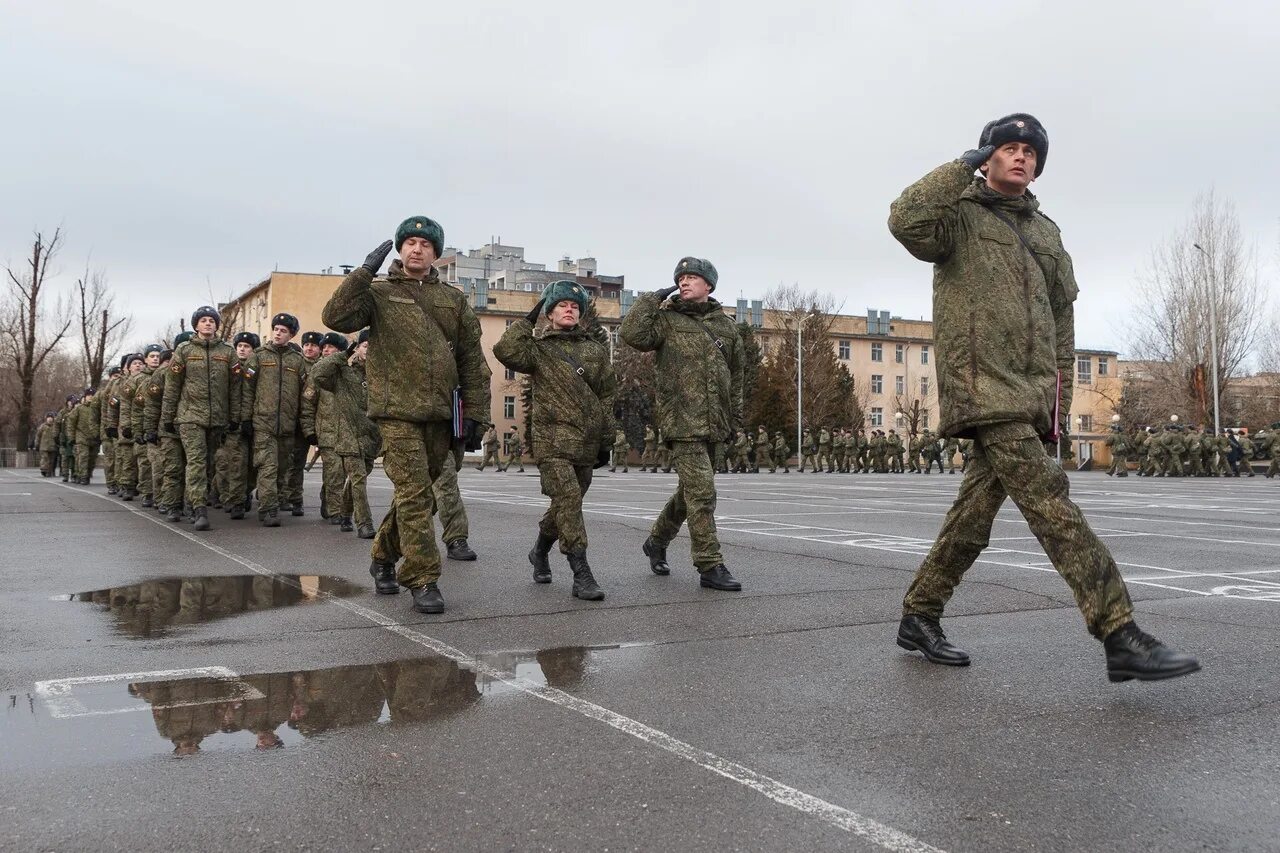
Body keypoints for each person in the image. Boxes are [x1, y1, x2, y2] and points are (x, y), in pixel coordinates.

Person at [887, 112, 1198, 681]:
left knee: (973, 516)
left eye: (1030, 151)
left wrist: (1056, 400)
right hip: (983, 388)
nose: (1020, 156)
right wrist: (962, 163)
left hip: (1030, 393)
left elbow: (1062, 321)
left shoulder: (1047, 232)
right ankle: (1119, 631)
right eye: (1007, 148)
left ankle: (920, 613)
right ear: (987, 157)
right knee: (1053, 504)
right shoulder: (956, 215)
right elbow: (905, 219)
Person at [323, 217, 490, 614]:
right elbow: (335, 317)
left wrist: (476, 415)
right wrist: (363, 272)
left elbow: (471, 358)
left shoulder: (453, 299)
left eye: (425, 244)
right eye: (410, 242)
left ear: (436, 253)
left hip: (441, 412)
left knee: (424, 496)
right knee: (414, 493)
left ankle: (382, 556)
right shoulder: (378, 293)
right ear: (400, 250)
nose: (417, 249)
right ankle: (422, 577)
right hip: (395, 411)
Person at [620, 256, 744, 592]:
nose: (684, 282)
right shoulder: (665, 320)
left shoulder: (726, 327)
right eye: (680, 278)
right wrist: (650, 299)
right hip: (681, 421)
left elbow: (736, 379)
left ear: (709, 285)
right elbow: (632, 334)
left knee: (688, 493)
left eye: (691, 277)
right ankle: (709, 564)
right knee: (702, 492)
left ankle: (657, 541)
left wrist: (736, 423)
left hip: (716, 424)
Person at [495, 280, 616, 600]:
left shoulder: (594, 350)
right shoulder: (538, 349)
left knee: (565, 504)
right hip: (552, 443)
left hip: (585, 443)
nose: (569, 310)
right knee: (569, 500)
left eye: (575, 306)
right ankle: (581, 571)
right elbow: (504, 351)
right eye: (562, 305)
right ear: (549, 313)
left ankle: (539, 551)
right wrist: (527, 319)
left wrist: (607, 438)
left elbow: (607, 395)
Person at [161, 306, 241, 531]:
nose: (208, 323)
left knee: (207, 464)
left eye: (212, 320)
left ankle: (190, 501)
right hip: (190, 416)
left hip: (217, 418)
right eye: (204, 320)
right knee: (196, 460)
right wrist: (168, 416)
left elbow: (236, 388)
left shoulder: (228, 352)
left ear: (217, 325)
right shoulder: (184, 351)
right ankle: (199, 509)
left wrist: (234, 417)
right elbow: (172, 386)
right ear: (196, 325)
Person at [309, 330, 381, 540]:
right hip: (348, 437)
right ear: (357, 348)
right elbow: (318, 374)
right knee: (358, 479)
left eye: (373, 346)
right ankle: (365, 523)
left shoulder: (382, 376)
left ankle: (345, 511)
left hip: (371, 437)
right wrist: (342, 355)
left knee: (356, 480)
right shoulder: (343, 373)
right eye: (365, 346)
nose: (369, 350)